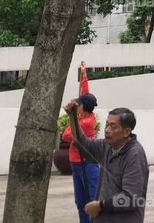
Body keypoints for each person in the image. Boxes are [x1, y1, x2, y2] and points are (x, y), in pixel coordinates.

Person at [65, 100, 150, 222]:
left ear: (126, 131)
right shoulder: (107, 145)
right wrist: (72, 116)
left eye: (113, 126)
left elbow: (131, 198)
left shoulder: (134, 155)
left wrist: (100, 206)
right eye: (106, 125)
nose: (107, 130)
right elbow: (82, 143)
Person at [61, 61, 101, 223]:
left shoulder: (85, 122)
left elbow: (66, 135)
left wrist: (71, 116)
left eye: (79, 104)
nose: (76, 105)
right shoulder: (83, 114)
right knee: (80, 202)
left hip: (87, 164)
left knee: (91, 199)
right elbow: (85, 92)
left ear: (83, 108)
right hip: (76, 163)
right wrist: (84, 75)